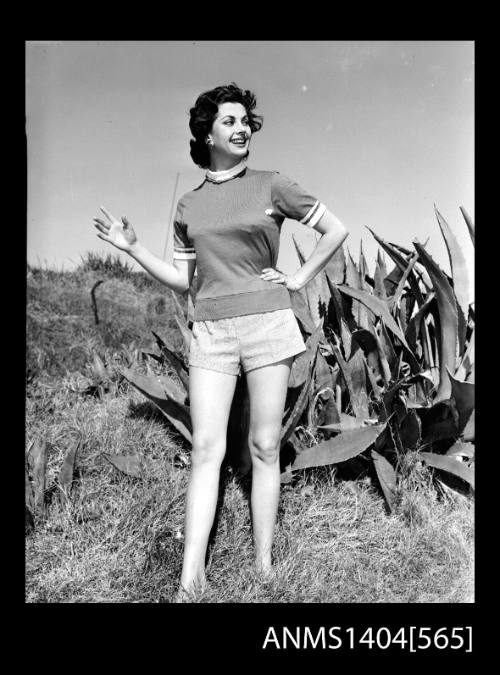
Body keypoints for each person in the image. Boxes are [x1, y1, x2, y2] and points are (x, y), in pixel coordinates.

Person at [93, 83, 348, 602]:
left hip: (268, 325)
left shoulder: (272, 185)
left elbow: (335, 230)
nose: (240, 129)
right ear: (206, 133)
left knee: (263, 445)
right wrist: (134, 247)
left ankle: (264, 565)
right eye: (229, 121)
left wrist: (298, 281)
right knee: (207, 449)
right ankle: (192, 575)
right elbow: (186, 280)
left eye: (245, 121)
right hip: (210, 330)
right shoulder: (189, 205)